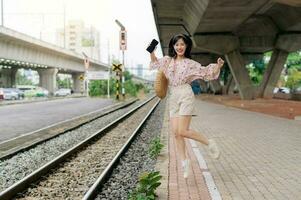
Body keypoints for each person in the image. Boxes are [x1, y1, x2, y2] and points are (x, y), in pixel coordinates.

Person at [149, 34, 224, 179]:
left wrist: (218, 66)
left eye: (182, 44)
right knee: (177, 133)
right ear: (173, 46)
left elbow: (206, 72)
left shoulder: (190, 63)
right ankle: (185, 162)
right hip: (173, 96)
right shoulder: (167, 61)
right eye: (176, 44)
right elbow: (155, 63)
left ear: (187, 46)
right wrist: (152, 51)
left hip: (185, 94)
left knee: (183, 130)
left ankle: (209, 143)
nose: (179, 47)